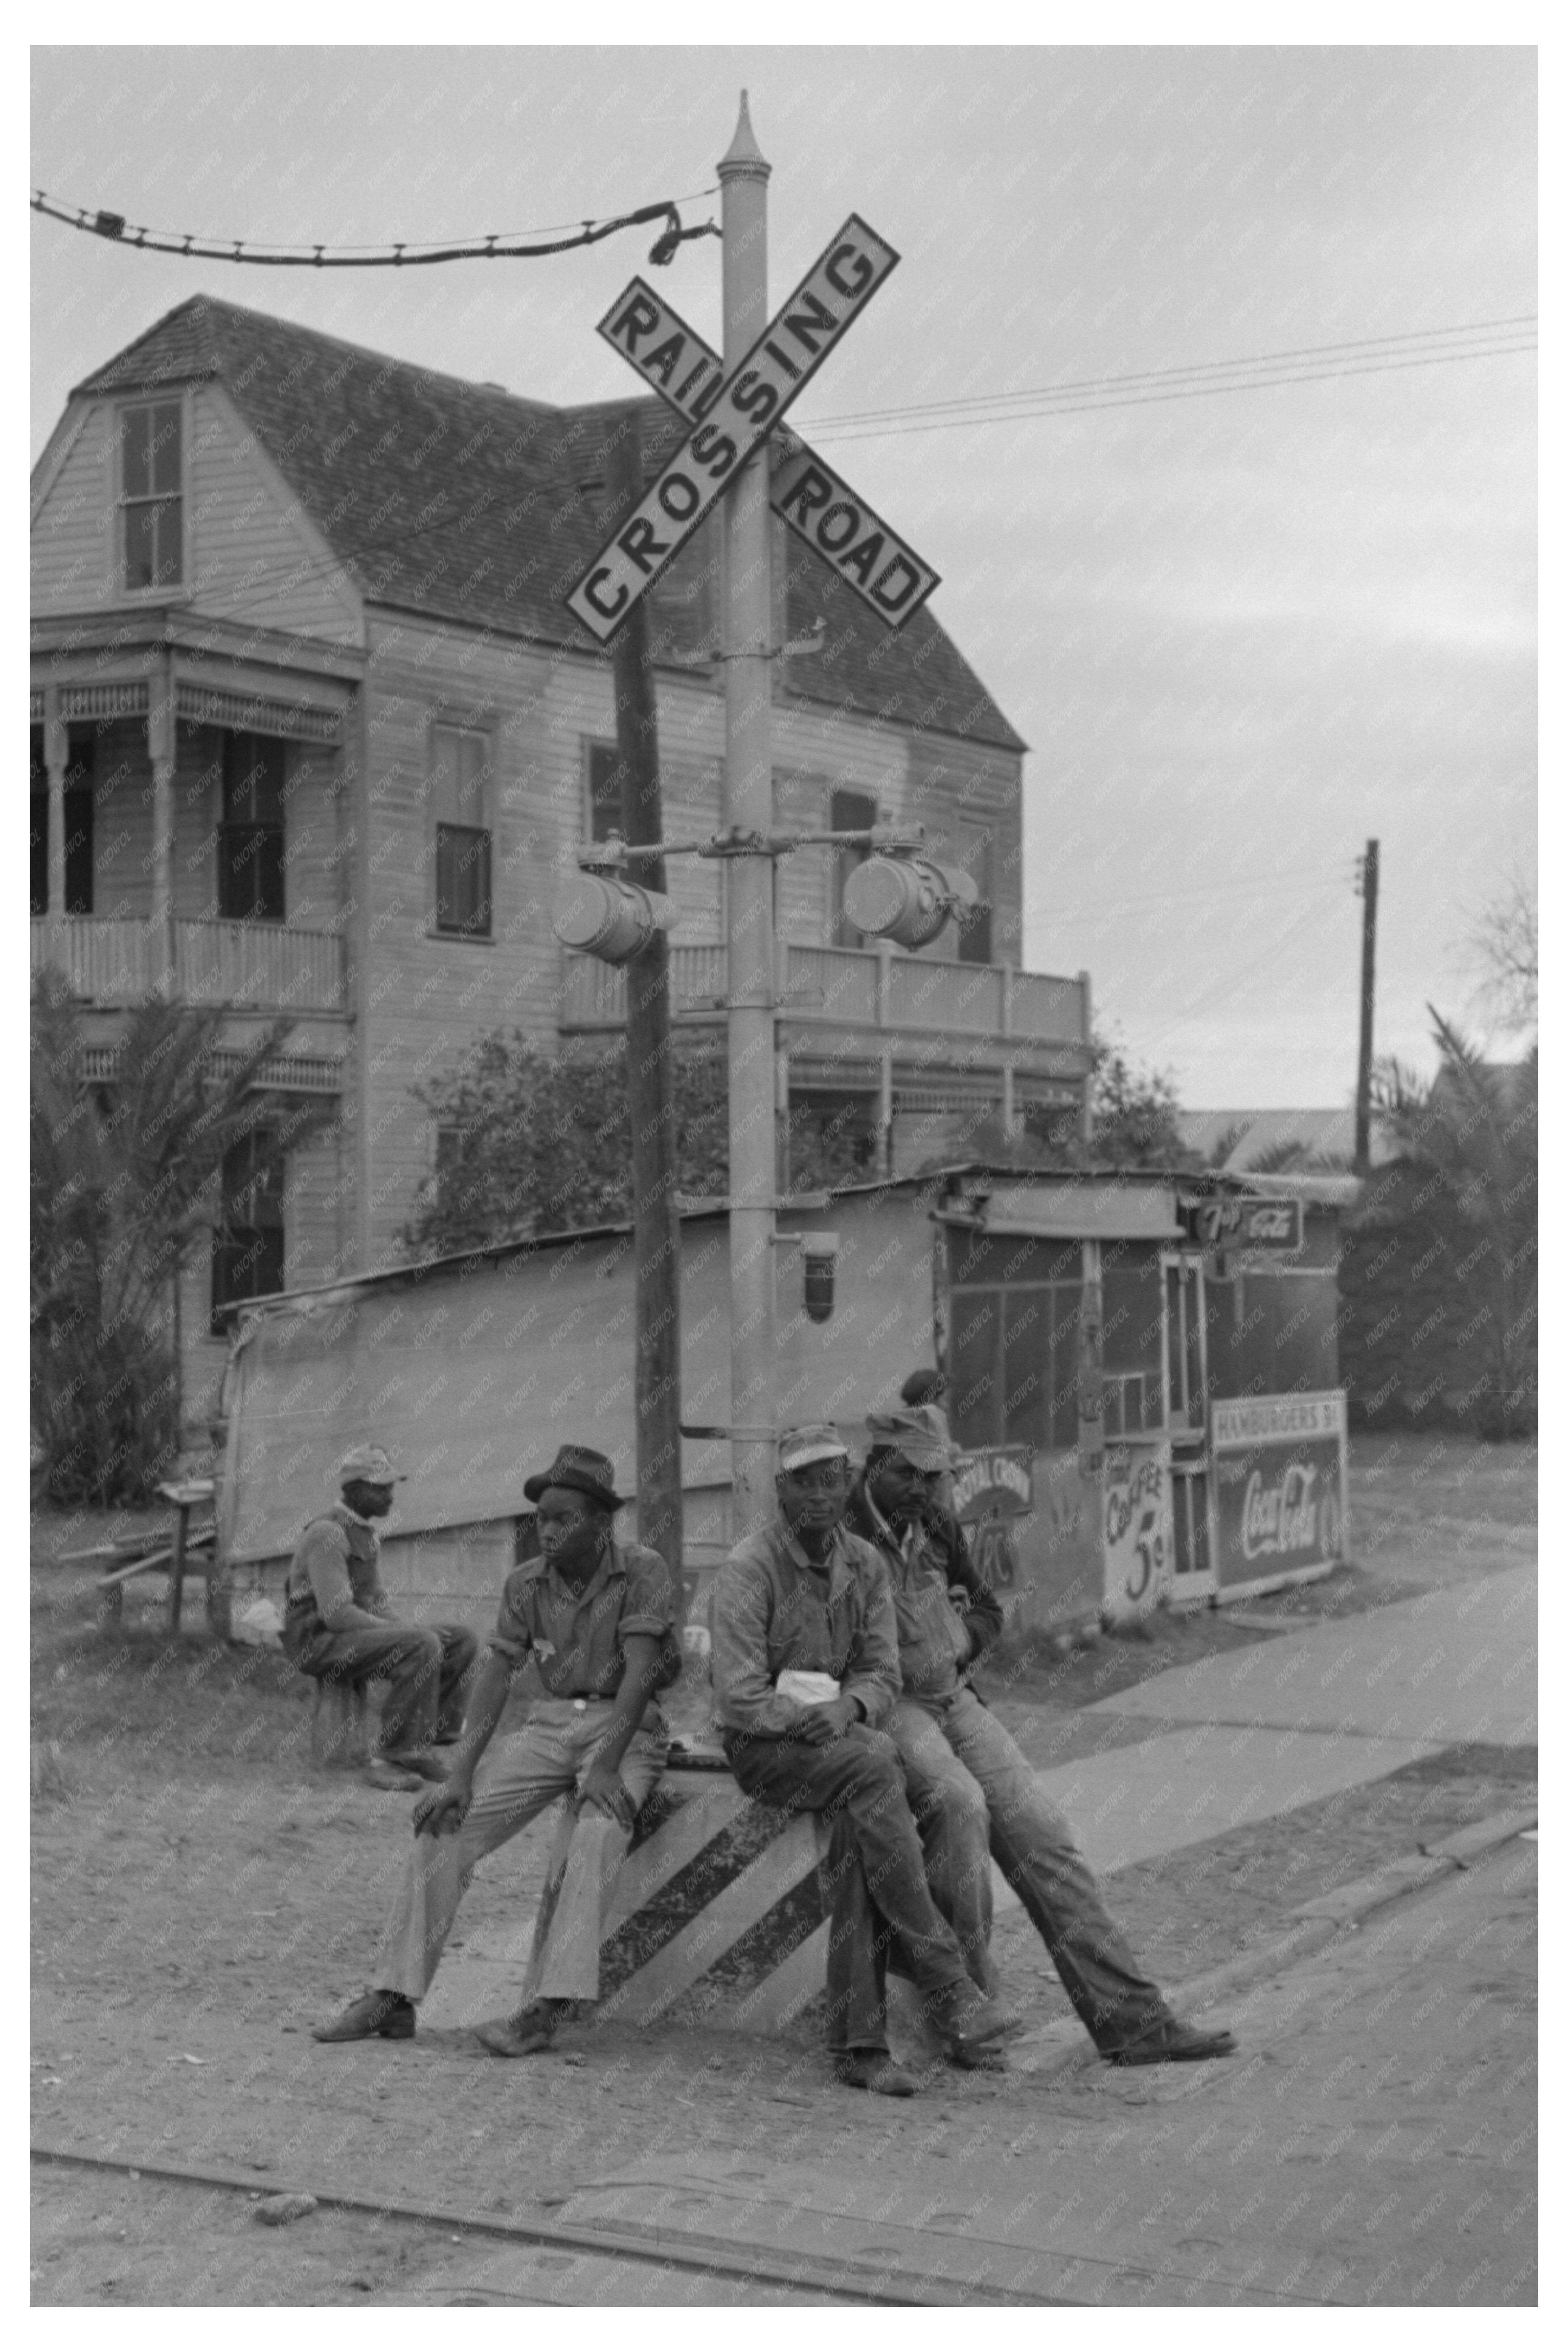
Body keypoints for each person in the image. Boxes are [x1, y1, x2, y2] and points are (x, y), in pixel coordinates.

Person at [849, 1407, 1237, 2069]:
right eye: (911, 1475)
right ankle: (967, 2011)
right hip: (892, 1705)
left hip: (955, 1697)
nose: (924, 1490)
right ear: (877, 1464)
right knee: (959, 1806)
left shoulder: (936, 1521)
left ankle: (1135, 2023)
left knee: (1046, 1835)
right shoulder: (846, 1533)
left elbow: (988, 1607)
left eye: (934, 1477)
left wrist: (963, 1635)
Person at [312, 1443, 681, 2055]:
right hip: (549, 1725)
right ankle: (394, 1997)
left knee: (594, 1834)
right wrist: (458, 1777)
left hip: (626, 1725)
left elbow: (641, 1672)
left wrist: (609, 1765)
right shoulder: (525, 1583)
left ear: (601, 1521)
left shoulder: (642, 1571)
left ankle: (547, 2008)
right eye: (543, 1519)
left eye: (565, 1519)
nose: (550, 1531)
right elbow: (494, 1676)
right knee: (442, 1825)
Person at [710, 1423, 1023, 2099]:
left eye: (832, 1479)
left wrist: (848, 1710)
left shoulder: (865, 1564)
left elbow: (881, 1671)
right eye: (804, 1481)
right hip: (766, 1749)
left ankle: (861, 2047)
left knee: (871, 1819)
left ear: (847, 1481)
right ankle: (948, 1981)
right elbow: (736, 1696)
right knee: (878, 1770)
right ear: (780, 1488)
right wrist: (808, 1719)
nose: (820, 1495)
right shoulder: (749, 1568)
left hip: (843, 1745)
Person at [284, 1443, 477, 1790]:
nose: (390, 1496)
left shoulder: (365, 1535)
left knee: (460, 1639)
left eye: (391, 1487)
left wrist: (408, 1627)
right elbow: (338, 1615)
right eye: (381, 1488)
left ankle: (423, 1745)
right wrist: (405, 1633)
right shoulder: (327, 1533)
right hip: (317, 1640)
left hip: (346, 1635)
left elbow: (374, 1603)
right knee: (420, 1643)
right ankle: (390, 1757)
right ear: (354, 1489)